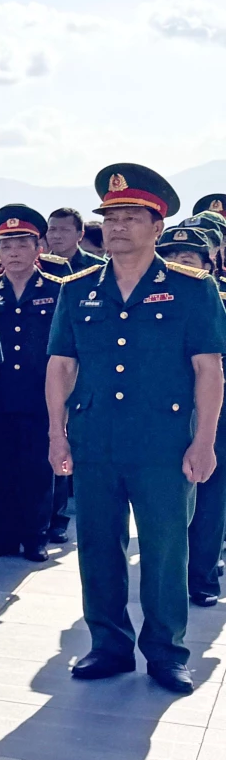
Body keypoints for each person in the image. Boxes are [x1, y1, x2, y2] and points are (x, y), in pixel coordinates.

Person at [47, 164, 226, 695]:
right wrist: (57, 434)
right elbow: (60, 366)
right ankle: (108, 644)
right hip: (94, 438)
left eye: (131, 217)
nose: (118, 226)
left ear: (157, 226)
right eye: (111, 217)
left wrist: (204, 440)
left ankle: (167, 652)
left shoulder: (193, 290)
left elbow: (208, 369)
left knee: (166, 549)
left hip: (164, 443)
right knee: (97, 545)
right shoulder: (78, 290)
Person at [0, 205, 62, 562]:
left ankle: (35, 536)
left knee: (36, 468)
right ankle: (2, 535)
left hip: (39, 395)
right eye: (6, 245)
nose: (13, 252)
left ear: (38, 247)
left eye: (22, 244)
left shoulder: (58, 290)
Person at [160, 222, 226, 608]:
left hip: (215, 415)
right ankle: (167, 577)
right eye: (170, 259)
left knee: (210, 498)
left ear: (208, 263)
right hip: (163, 414)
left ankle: (201, 578)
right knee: (166, 500)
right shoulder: (147, 305)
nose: (178, 266)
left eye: (187, 259)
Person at [46, 207, 102, 274]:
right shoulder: (38, 266)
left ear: (80, 235)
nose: (57, 236)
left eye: (65, 230)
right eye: (52, 229)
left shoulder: (99, 267)